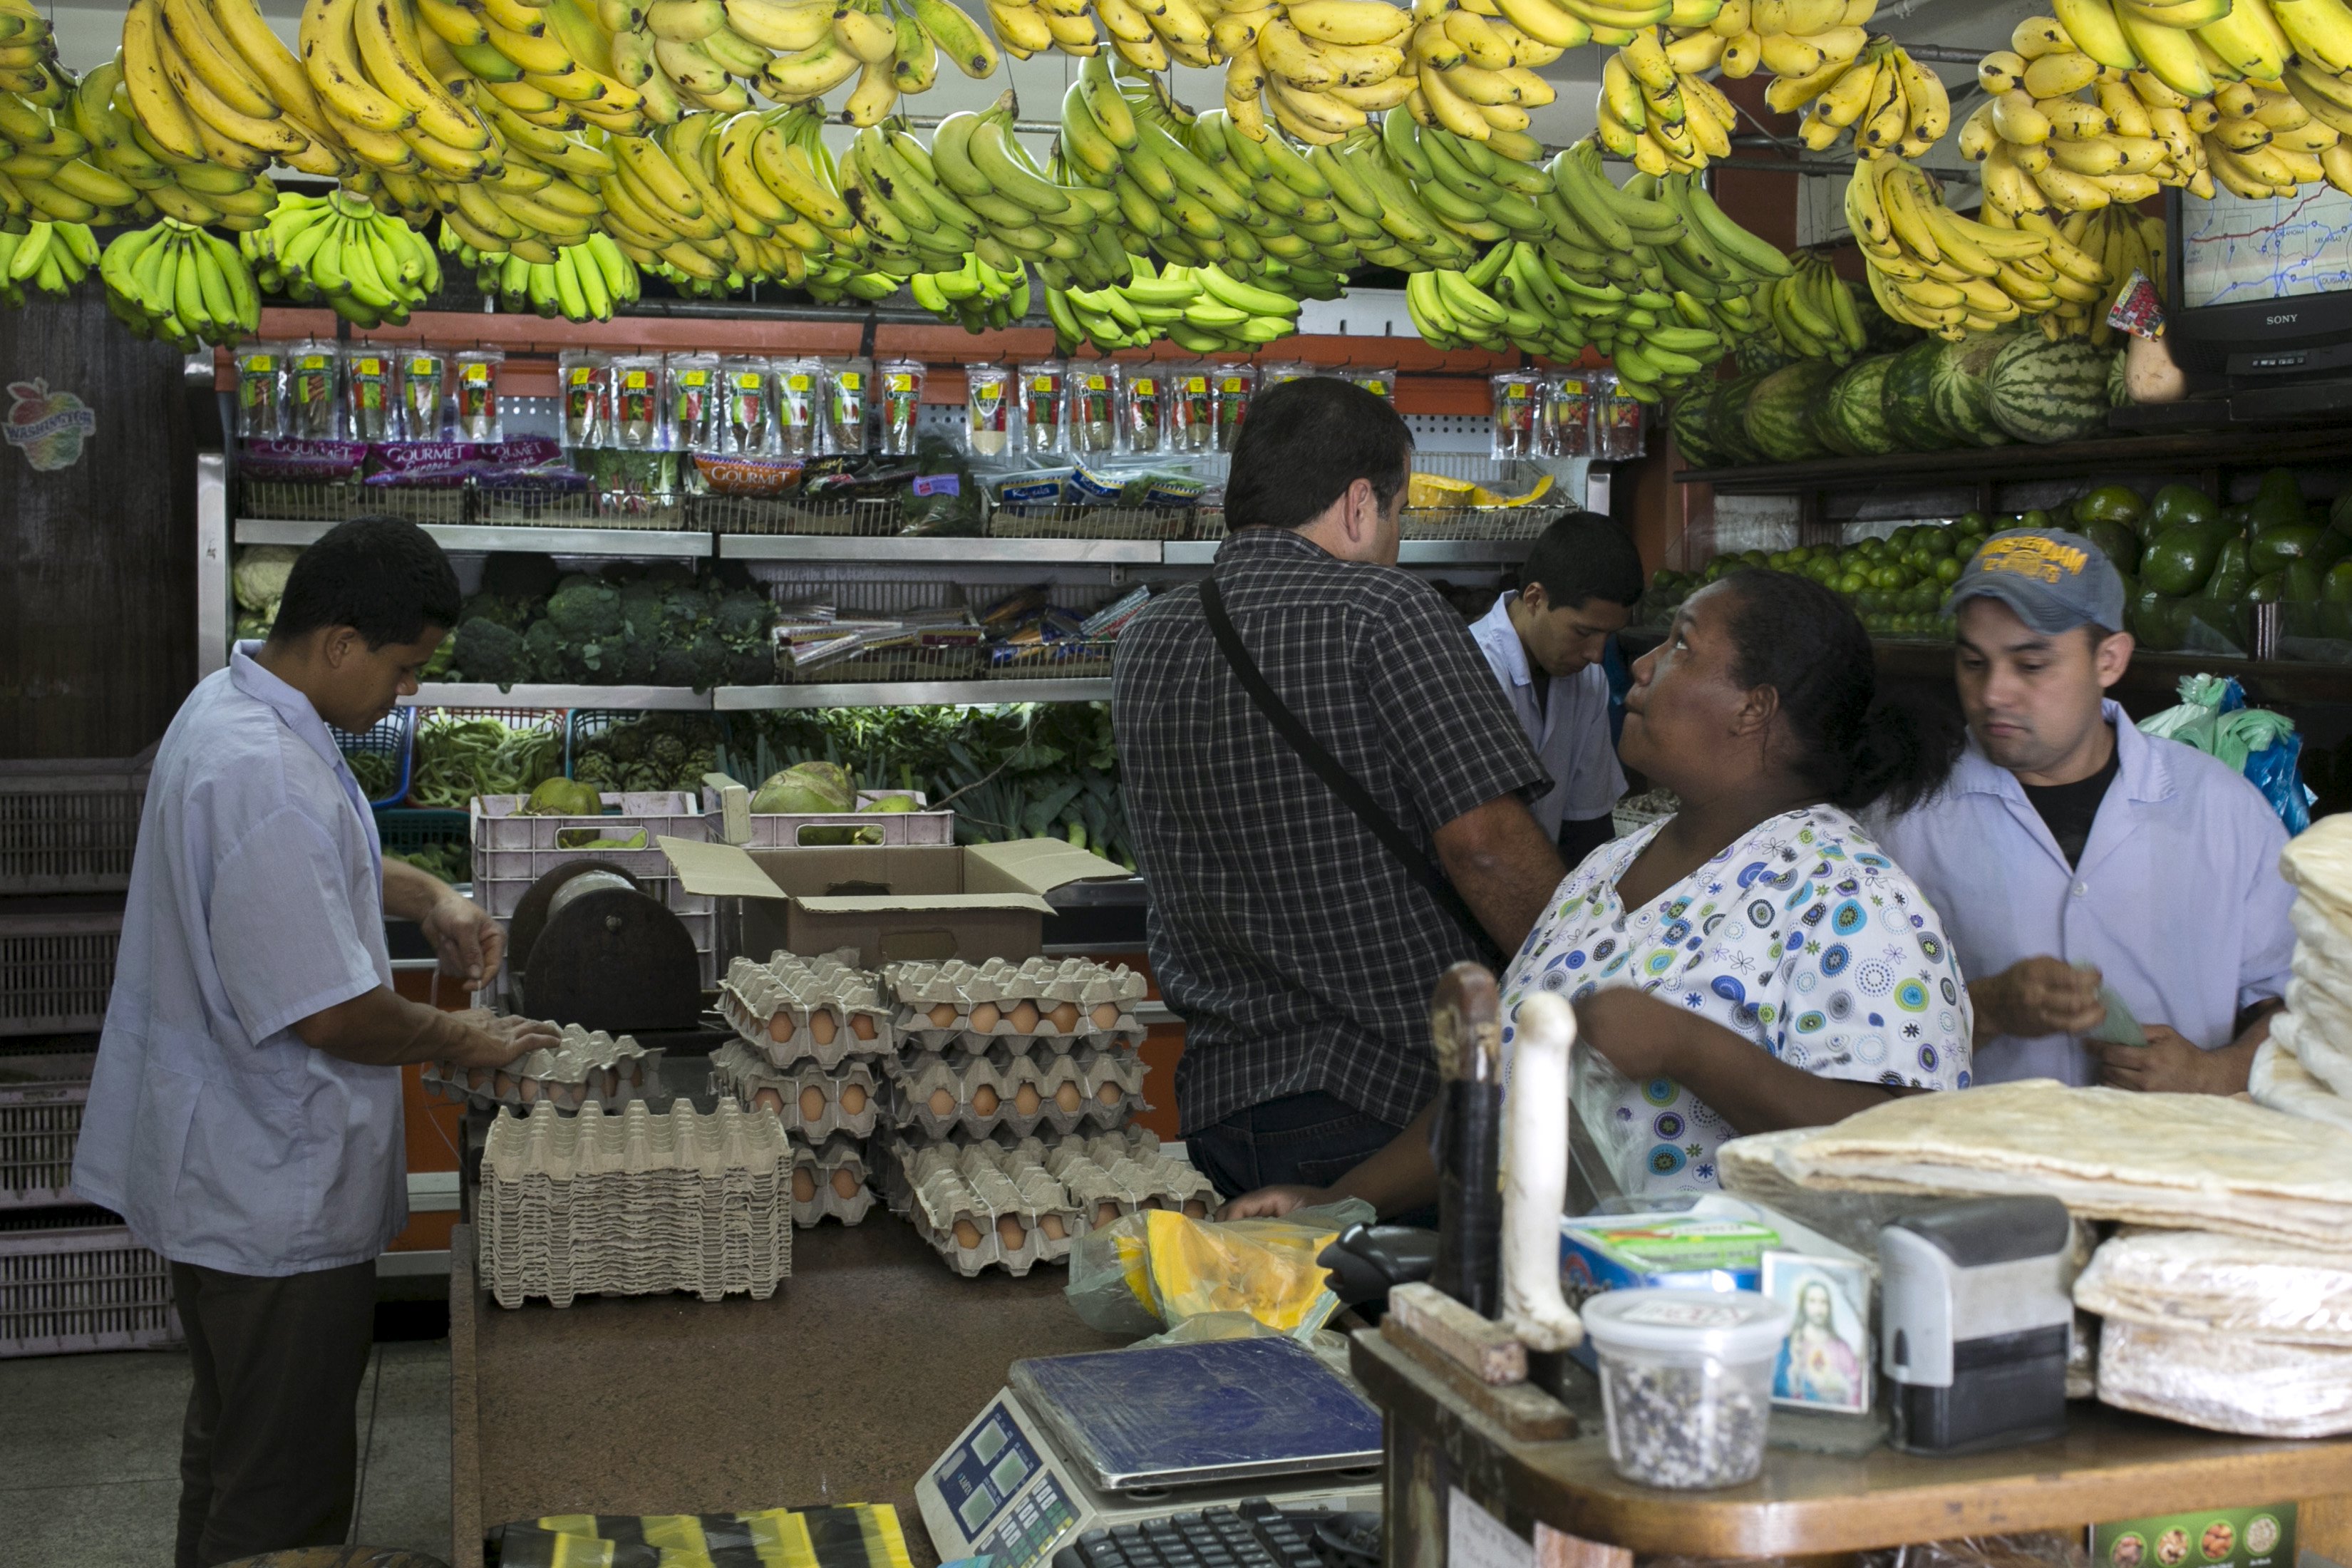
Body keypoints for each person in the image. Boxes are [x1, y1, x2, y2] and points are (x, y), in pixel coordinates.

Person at [71, 517, 559, 1568]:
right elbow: (331, 1014)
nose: (408, 694)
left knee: (232, 1450)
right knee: (281, 1495)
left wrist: (428, 890)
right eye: (404, 668)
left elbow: (305, 860)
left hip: (221, 1172)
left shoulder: (233, 708)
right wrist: (464, 1037)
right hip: (269, 1194)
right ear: (340, 643)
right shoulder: (267, 771)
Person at [1222, 569, 1972, 1217]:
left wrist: (1693, 1050)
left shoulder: (1852, 898)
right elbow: (1500, 1087)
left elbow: (1902, 1144)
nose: (1641, 664)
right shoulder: (1601, 872)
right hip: (1544, 1310)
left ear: (1755, 707)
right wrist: (1343, 1200)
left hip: (1717, 1337)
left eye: (1681, 645)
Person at [1113, 377, 1567, 1205]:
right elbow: (1486, 846)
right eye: (1397, 512)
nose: (1395, 536)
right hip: (1386, 1108)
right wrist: (1582, 983)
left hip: (1218, 1104)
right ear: (1360, 505)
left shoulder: (1146, 638)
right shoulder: (1384, 610)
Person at [1874, 527, 2294, 1093]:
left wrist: (2216, 1073)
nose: (1994, 692)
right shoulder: (1903, 817)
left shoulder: (2220, 809)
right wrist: (1986, 1009)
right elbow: (1850, 1038)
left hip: (2172, 1166)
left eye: (2031, 665)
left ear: (2110, 660)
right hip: (1977, 1170)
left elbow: (2309, 1005)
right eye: (1975, 663)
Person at [1468, 512, 1645, 868]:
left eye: (1608, 636)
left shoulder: (1588, 678)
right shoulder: (1472, 670)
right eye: (1583, 632)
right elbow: (1479, 843)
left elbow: (1588, 823)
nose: (1596, 654)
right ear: (1535, 599)